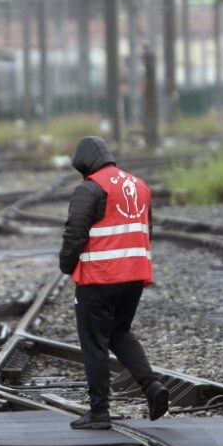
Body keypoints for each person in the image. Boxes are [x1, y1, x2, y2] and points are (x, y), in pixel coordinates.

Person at [59, 136, 169, 430]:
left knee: (94, 342)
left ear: (85, 164)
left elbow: (75, 232)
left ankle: (99, 412)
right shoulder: (140, 186)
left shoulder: (90, 188)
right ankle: (152, 386)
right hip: (133, 275)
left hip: (99, 278)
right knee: (119, 333)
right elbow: (148, 229)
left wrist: (66, 265)